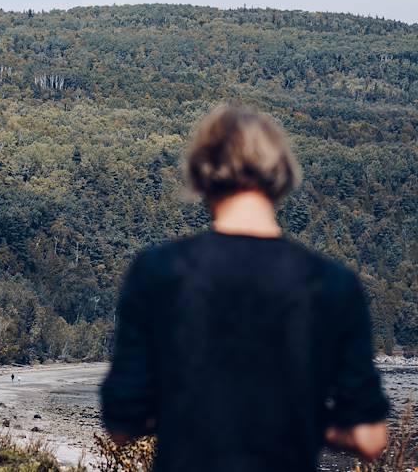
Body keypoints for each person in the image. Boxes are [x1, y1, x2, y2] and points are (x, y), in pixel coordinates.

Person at [100, 105, 389, 472]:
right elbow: (370, 438)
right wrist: (306, 421)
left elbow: (121, 424)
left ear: (201, 173)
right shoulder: (333, 283)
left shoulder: (158, 271)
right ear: (281, 173)